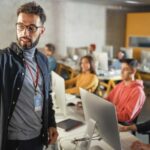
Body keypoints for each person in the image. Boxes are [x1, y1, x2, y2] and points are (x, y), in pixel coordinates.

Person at [0, 2, 58, 150]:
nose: (25, 33)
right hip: (13, 143)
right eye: (20, 26)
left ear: (42, 31)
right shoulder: (3, 59)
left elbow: (47, 95)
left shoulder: (43, 60)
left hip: (38, 139)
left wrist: (51, 123)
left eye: (31, 28)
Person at [106, 59, 145, 123]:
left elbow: (126, 116)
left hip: (122, 123)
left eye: (125, 69)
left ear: (133, 71)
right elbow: (108, 99)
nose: (121, 71)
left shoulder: (138, 92)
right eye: (121, 68)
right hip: (112, 117)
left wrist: (107, 114)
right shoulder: (120, 85)